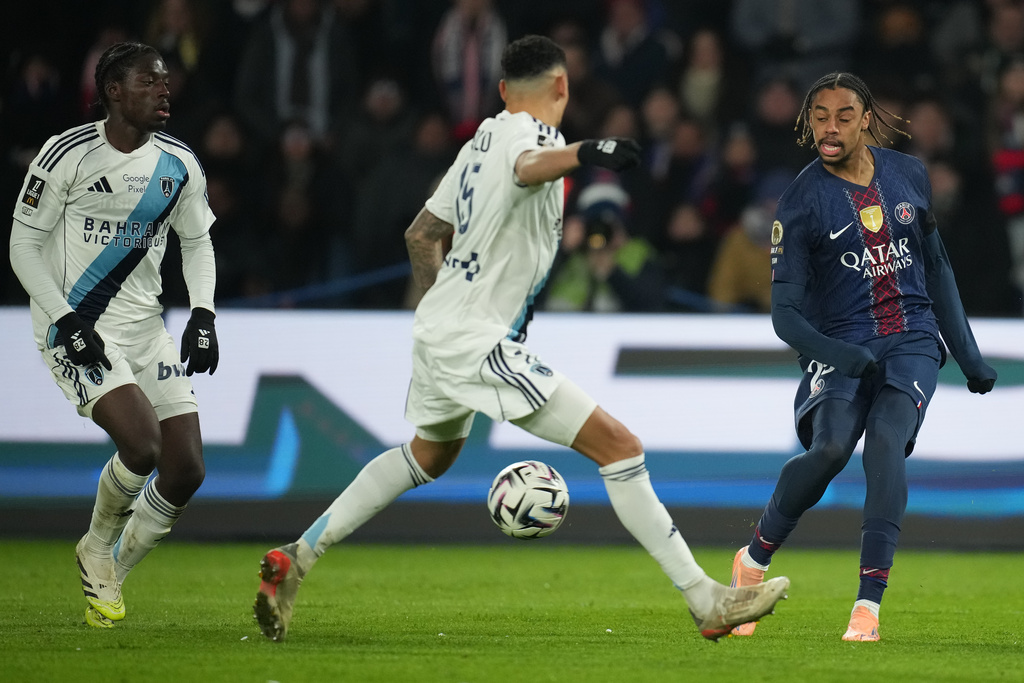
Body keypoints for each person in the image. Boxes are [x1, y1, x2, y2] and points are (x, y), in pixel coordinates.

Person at [252, 34, 789, 644]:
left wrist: (444, 311)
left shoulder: (478, 139)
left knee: (431, 454)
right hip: (471, 335)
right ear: (562, 87)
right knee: (620, 447)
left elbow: (421, 234)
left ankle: (297, 557)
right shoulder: (534, 137)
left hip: (442, 327)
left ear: (503, 90)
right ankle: (706, 601)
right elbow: (530, 167)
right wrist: (589, 150)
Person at [728, 72, 998, 642]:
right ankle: (753, 558)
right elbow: (785, 317)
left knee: (886, 438)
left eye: (843, 116)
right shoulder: (800, 202)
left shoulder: (909, 175)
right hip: (841, 340)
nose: (830, 127)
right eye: (820, 116)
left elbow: (938, 270)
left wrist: (968, 356)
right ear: (808, 123)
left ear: (866, 119)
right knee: (828, 449)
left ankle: (867, 607)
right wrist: (840, 355)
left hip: (913, 335)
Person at [8, 42, 219, 628]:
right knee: (144, 446)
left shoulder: (179, 164)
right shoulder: (66, 155)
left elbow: (197, 242)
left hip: (145, 329)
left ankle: (111, 573)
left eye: (166, 81)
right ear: (114, 93)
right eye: (150, 82)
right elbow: (22, 247)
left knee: (186, 470)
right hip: (74, 325)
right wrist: (65, 321)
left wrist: (202, 316)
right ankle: (95, 547)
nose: (164, 90)